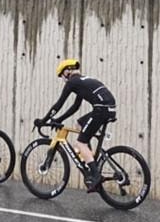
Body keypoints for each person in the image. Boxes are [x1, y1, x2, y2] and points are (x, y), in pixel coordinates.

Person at [38, 58, 116, 190]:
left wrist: (43, 120)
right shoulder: (81, 81)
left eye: (62, 75)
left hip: (101, 110)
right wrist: (59, 119)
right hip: (107, 109)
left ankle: (96, 175)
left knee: (80, 143)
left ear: (67, 71)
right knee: (79, 125)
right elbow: (75, 106)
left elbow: (59, 104)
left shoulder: (72, 82)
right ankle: (90, 158)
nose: (63, 79)